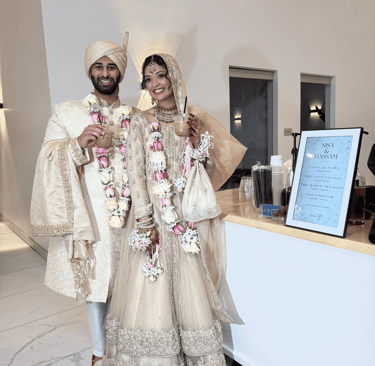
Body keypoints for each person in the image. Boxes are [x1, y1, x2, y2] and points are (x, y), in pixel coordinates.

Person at [102, 54, 246, 366]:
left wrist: (196, 143)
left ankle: (195, 351)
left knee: (189, 278)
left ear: (174, 77)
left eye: (161, 75)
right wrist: (144, 221)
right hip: (154, 210)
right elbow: (135, 172)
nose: (155, 83)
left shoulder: (194, 116)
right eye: (148, 78)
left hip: (185, 212)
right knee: (154, 280)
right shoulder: (141, 120)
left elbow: (202, 173)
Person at [30, 33, 137, 366]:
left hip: (133, 213)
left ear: (121, 73)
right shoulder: (67, 111)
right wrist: (77, 144)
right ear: (90, 72)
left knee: (133, 284)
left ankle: (132, 342)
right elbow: (47, 155)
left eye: (112, 67)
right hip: (90, 214)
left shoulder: (136, 115)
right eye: (98, 66)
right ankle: (100, 350)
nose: (105, 72)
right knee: (97, 285)